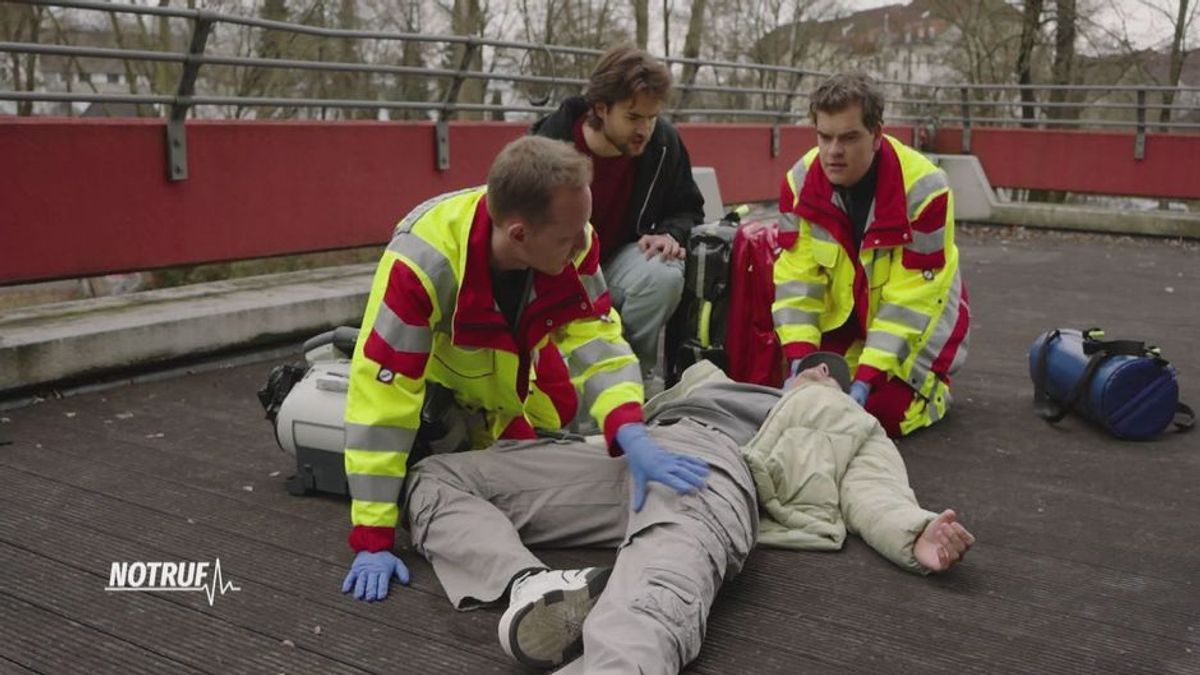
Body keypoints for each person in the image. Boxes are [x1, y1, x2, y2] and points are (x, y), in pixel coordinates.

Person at [364, 357, 974, 674]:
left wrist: (915, 533)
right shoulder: (710, 380)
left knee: (665, 571)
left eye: (831, 371)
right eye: (812, 365)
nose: (819, 370)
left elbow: (874, 487)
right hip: (632, 450)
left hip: (716, 465)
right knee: (439, 476)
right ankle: (532, 582)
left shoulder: (842, 418)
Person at [338, 136, 710, 586]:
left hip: (514, 383)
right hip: (443, 401)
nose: (584, 244)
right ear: (519, 234)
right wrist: (373, 537)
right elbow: (383, 399)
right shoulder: (421, 266)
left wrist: (628, 423)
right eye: (568, 238)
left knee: (562, 420)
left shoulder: (572, 234)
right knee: (430, 478)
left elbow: (596, 334)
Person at [773, 72, 970, 437]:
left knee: (881, 415)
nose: (833, 151)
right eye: (824, 137)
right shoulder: (798, 184)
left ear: (877, 135)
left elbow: (911, 303)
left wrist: (866, 380)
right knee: (806, 397)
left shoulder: (925, 191)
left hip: (921, 320)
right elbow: (797, 283)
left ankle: (934, 392)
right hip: (851, 319)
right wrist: (801, 361)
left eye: (849, 138)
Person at [531, 44, 706, 381]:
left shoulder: (664, 143)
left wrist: (670, 233)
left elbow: (688, 206)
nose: (644, 129)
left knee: (664, 274)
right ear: (602, 108)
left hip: (615, 263)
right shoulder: (548, 146)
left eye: (651, 118)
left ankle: (631, 379)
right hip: (557, 271)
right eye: (633, 117)